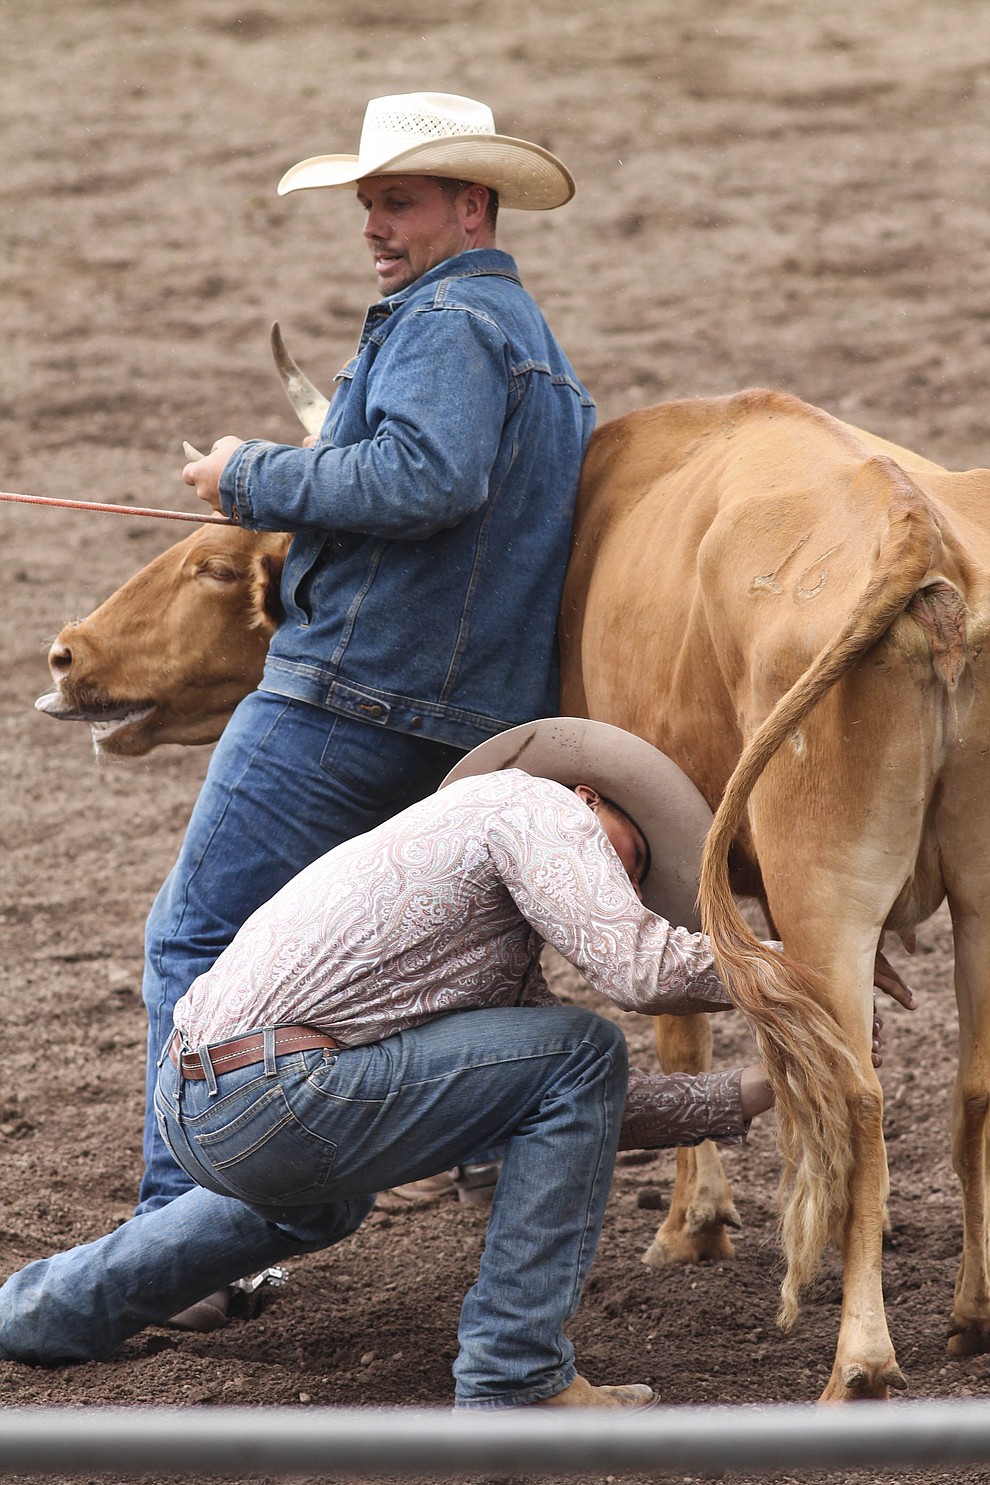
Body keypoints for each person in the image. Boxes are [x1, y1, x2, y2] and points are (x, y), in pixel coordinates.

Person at [0, 720, 913, 1409]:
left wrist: (758, 1088)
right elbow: (636, 969)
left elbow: (588, 1113)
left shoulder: (468, 919)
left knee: (333, 1194)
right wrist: (812, 961)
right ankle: (517, 1375)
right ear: (592, 797)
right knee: (582, 1047)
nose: (630, 885)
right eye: (636, 862)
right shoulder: (534, 805)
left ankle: (38, 1312)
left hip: (204, 1097)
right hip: (281, 1090)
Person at [138, 90, 597, 1278]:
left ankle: (179, 1246)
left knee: (195, 942)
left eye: (397, 201)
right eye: (368, 203)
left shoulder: (445, 319)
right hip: (465, 720)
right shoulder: (527, 341)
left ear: (469, 204)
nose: (373, 225)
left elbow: (422, 481)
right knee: (414, 973)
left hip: (347, 694)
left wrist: (254, 477)